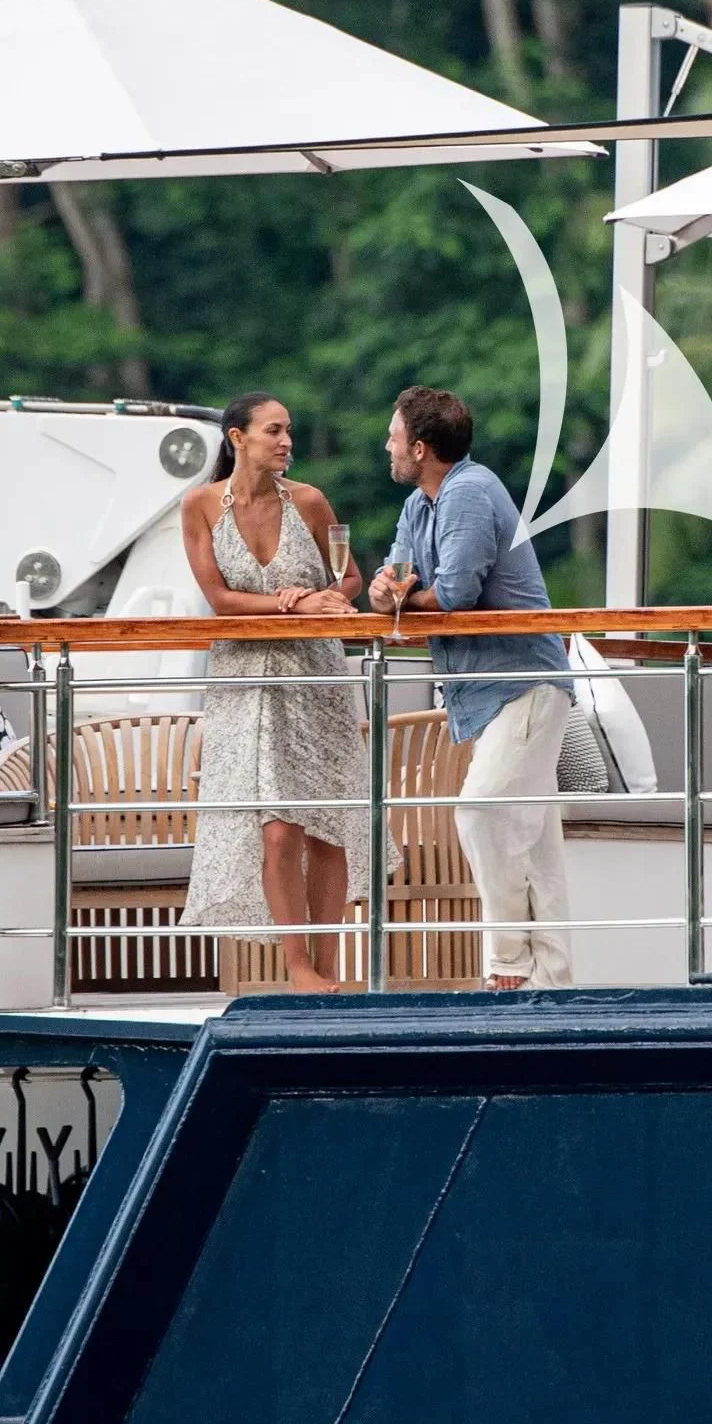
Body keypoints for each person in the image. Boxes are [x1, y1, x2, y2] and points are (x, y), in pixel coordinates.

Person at [364, 385, 574, 989]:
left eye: (394, 437)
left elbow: (454, 593)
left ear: (420, 448)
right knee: (537, 843)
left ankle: (507, 965)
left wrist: (402, 599)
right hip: (494, 691)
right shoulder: (419, 506)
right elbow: (395, 578)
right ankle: (554, 980)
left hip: (522, 683)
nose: (387, 446)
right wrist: (385, 591)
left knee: (481, 812)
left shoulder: (468, 492)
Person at [176, 392, 374, 992]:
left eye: (289, 430)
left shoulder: (309, 501)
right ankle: (297, 965)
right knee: (278, 827)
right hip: (243, 681)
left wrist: (323, 597)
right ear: (237, 438)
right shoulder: (199, 505)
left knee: (327, 825)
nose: (286, 441)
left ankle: (329, 968)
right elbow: (220, 600)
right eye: (273, 430)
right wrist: (290, 603)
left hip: (315, 676)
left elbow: (350, 578)